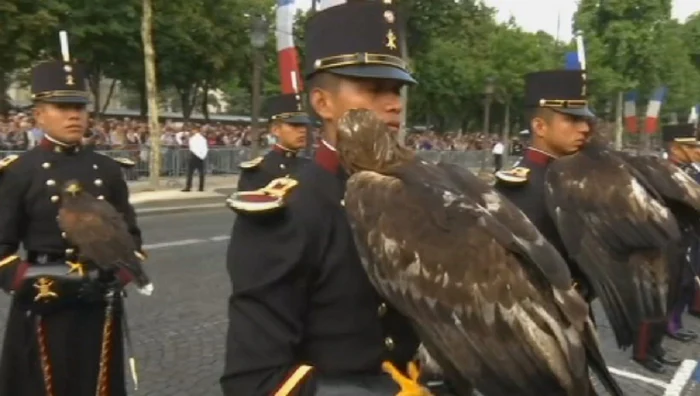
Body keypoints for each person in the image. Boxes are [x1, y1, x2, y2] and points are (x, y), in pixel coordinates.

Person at [221, 2, 448, 395]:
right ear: (323, 103)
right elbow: (253, 381)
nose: (393, 104)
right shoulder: (290, 213)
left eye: (396, 90)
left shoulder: (418, 197)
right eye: (373, 89)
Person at [0, 56, 146, 396]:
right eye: (62, 107)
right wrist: (34, 280)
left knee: (96, 383)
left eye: (80, 107)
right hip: (43, 302)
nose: (74, 115)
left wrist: (117, 275)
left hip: (98, 301)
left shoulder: (107, 170)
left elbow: (133, 238)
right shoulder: (20, 172)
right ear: (38, 114)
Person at [663, 124, 700, 342]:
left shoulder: (690, 171)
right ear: (675, 148)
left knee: (685, 284)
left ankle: (674, 323)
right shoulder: (664, 171)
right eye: (690, 146)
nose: (696, 150)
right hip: (670, 236)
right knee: (676, 284)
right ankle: (668, 325)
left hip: (688, 235)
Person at [236, 93, 311, 191]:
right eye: (295, 125)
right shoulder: (258, 171)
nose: (303, 130)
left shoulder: (311, 166)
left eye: (304, 125)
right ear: (275, 130)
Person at [182, 127, 208, 192]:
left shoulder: (192, 138)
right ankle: (201, 187)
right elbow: (205, 148)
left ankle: (188, 186)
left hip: (193, 155)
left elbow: (191, 147)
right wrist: (203, 155)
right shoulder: (203, 139)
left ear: (195, 130)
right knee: (201, 172)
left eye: (192, 130)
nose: (191, 131)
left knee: (190, 172)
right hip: (201, 157)